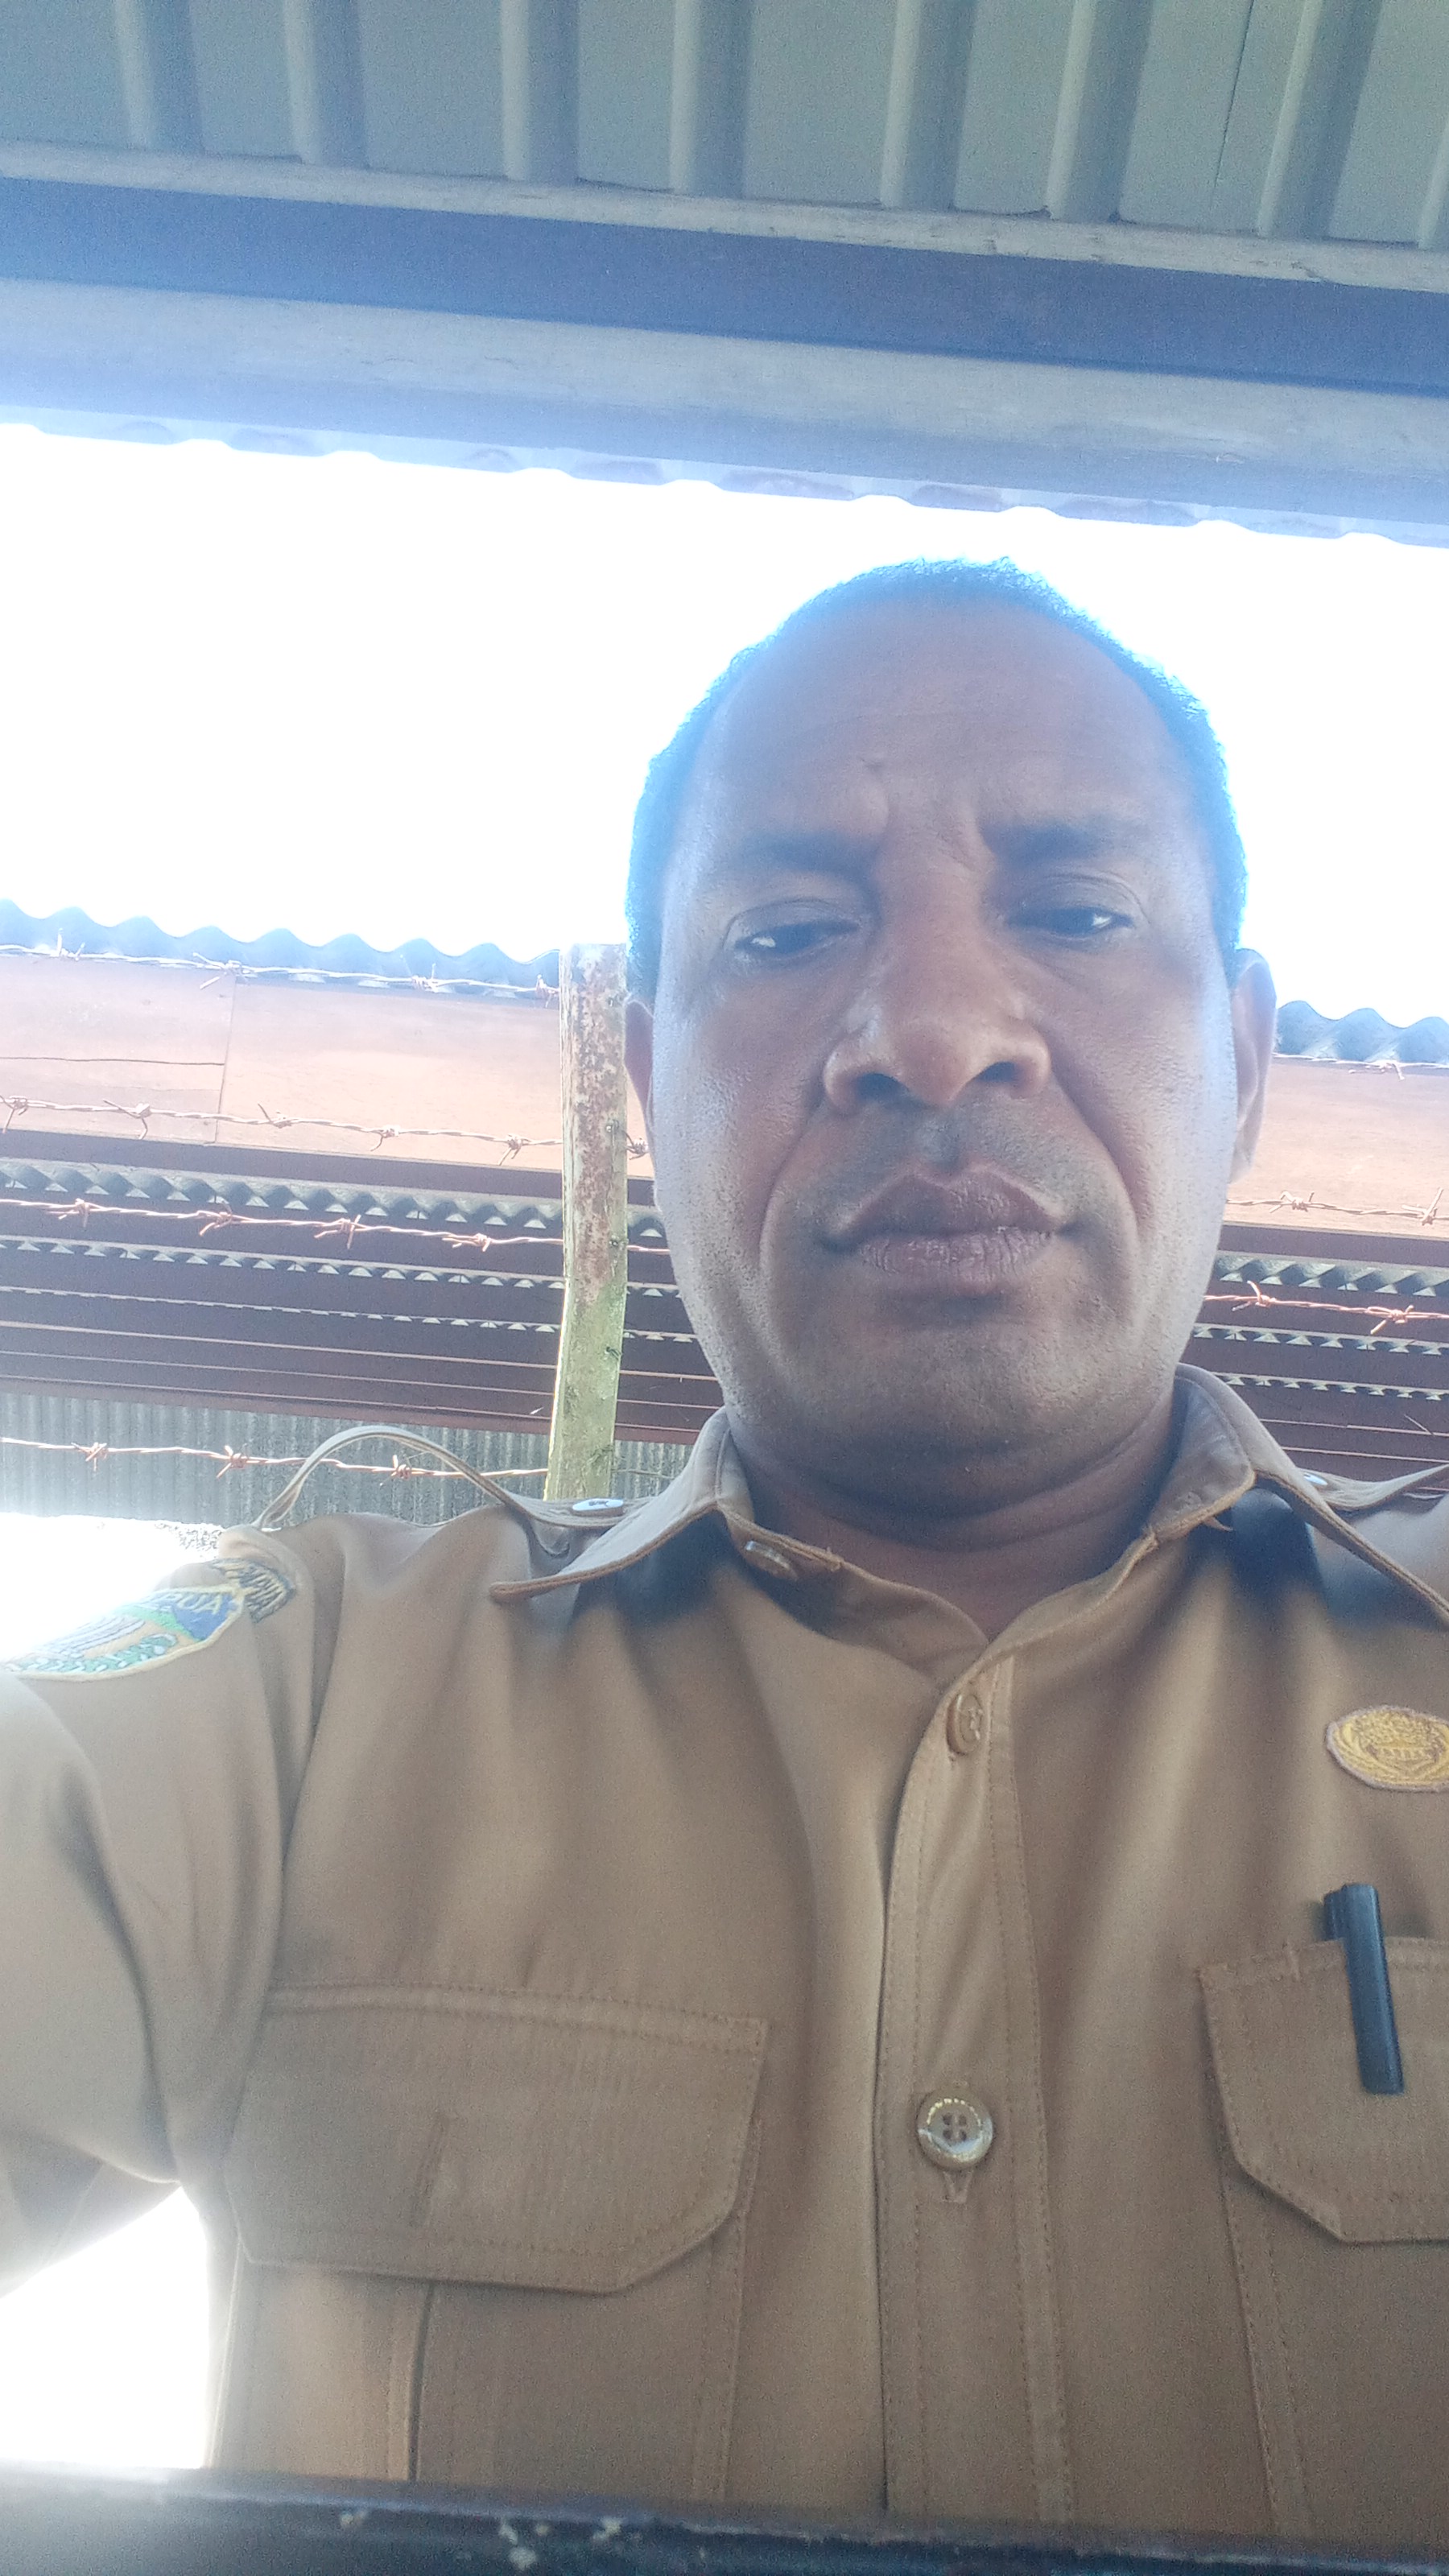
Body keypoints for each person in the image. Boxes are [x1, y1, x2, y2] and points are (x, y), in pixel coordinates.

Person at [2, 560, 1447, 2547]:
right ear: (646, 1085)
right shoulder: (307, 1699)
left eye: (1077, 912)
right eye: (784, 933)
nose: (930, 1031)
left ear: (1251, 1061)